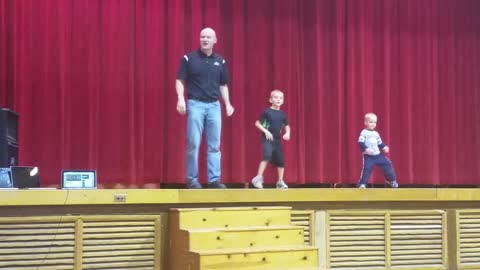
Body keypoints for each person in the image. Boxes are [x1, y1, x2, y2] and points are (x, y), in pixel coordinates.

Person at [175, 27, 234, 189]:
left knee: (214, 145)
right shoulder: (189, 58)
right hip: (196, 104)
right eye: (202, 37)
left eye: (208, 37)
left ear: (215, 40)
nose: (205, 39)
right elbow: (180, 80)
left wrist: (227, 104)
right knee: (193, 143)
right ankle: (192, 180)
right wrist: (180, 98)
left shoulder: (220, 61)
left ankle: (214, 180)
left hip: (214, 106)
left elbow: (223, 84)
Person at [251, 90, 290, 189]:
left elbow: (287, 125)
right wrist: (266, 131)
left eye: (280, 98)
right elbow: (257, 123)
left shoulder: (282, 114)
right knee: (267, 155)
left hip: (277, 140)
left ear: (283, 101)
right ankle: (258, 178)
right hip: (268, 139)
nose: (278, 99)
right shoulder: (267, 112)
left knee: (281, 161)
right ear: (270, 99)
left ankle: (280, 181)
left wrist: (287, 133)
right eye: (276, 97)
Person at [357, 112, 398, 188]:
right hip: (369, 157)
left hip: (378, 155)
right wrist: (366, 149)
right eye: (371, 122)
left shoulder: (376, 133)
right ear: (365, 123)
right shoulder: (364, 132)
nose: (373, 124)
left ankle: (391, 180)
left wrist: (384, 147)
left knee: (387, 164)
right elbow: (360, 142)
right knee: (367, 169)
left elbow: (380, 143)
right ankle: (363, 184)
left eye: (375, 122)